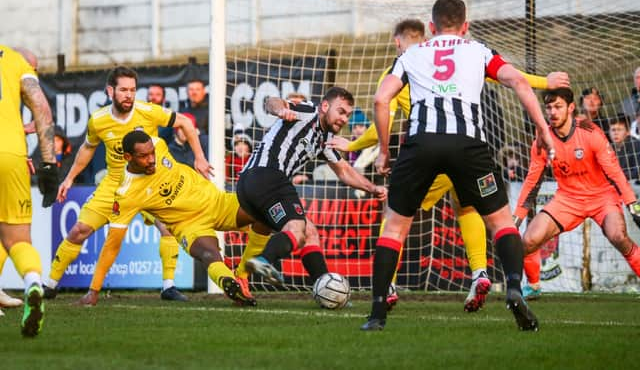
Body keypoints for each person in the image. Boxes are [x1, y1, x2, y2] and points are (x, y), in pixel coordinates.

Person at [329, 18, 568, 313]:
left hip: (427, 153)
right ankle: (481, 272)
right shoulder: (467, 53)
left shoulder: (407, 63)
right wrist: (546, 82)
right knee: (470, 208)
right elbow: (508, 76)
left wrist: (353, 146)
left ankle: (386, 287)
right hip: (468, 148)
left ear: (398, 41)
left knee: (394, 216)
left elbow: (383, 116)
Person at [43, 66, 211, 305]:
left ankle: (168, 286)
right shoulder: (99, 120)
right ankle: (49, 285)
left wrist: (200, 158)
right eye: (123, 90)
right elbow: (88, 148)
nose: (129, 95)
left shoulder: (147, 111)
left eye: (132, 90)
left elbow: (183, 122)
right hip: (114, 183)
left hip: (149, 182)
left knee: (167, 227)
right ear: (110, 90)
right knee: (79, 230)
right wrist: (69, 178)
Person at [241, 87, 387, 286]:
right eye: (341, 112)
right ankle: (263, 259)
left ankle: (325, 286)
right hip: (268, 175)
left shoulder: (325, 140)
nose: (344, 119)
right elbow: (273, 101)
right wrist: (281, 110)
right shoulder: (308, 111)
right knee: (296, 227)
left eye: (348, 115)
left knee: (309, 232)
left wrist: (372, 188)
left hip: (249, 185)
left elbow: (344, 171)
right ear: (325, 106)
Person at [109, 131, 274, 306]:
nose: (151, 159)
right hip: (189, 224)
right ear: (128, 157)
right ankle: (228, 284)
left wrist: (199, 156)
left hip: (217, 202)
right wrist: (95, 289)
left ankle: (241, 275)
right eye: (144, 156)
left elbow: (184, 123)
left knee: (263, 213)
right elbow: (112, 238)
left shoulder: (157, 143)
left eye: (152, 153)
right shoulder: (127, 191)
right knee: (208, 253)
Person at [514, 88, 640, 299]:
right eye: (549, 108)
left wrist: (632, 202)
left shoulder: (590, 131)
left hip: (602, 197)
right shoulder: (543, 138)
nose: (552, 112)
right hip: (567, 199)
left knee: (618, 236)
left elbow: (615, 172)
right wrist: (517, 216)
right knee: (528, 241)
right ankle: (534, 286)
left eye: (558, 107)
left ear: (571, 108)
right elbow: (532, 179)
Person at [0, 45, 57, 336]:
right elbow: (41, 107)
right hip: (10, 153)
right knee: (17, 237)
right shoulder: (12, 58)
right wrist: (49, 164)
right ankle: (33, 282)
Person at [609, 115, 640, 183]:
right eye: (613, 130)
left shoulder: (636, 145)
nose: (615, 133)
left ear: (628, 132)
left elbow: (637, 171)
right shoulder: (608, 148)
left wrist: (617, 176)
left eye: (619, 129)